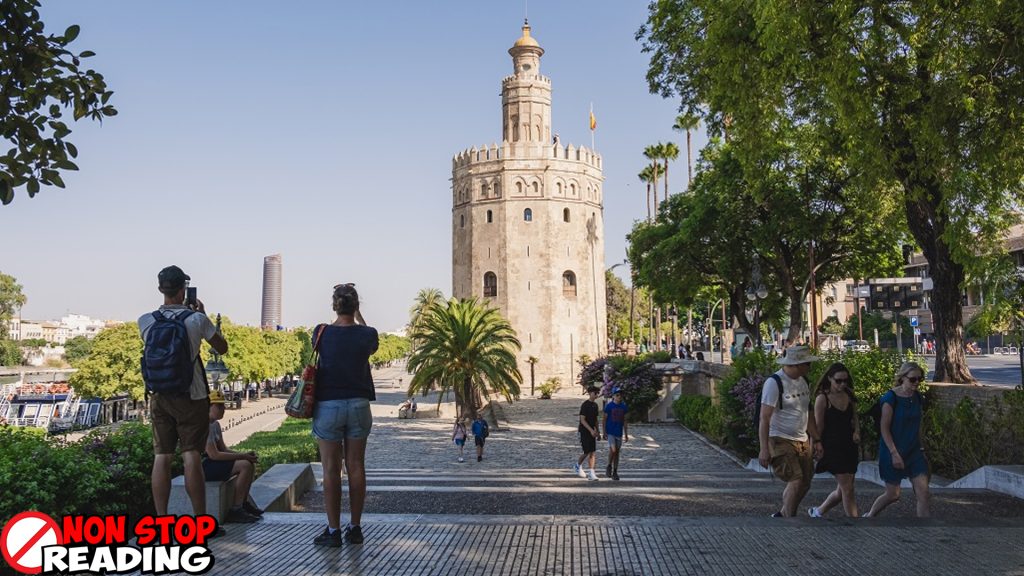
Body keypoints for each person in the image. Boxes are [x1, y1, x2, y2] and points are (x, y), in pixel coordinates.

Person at [139, 265, 228, 520]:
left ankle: (161, 520)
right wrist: (202, 314)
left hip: (160, 396)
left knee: (162, 457)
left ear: (160, 289)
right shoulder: (196, 320)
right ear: (183, 289)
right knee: (191, 456)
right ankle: (200, 519)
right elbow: (221, 348)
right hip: (192, 395)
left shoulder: (146, 320)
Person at [311, 283, 379, 547]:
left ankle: (333, 530)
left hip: (328, 405)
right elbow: (370, 342)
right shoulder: (367, 334)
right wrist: (359, 315)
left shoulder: (321, 332)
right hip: (359, 404)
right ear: (356, 305)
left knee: (330, 469)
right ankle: (355, 527)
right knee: (356, 466)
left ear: (334, 305)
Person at [758, 345, 823, 517]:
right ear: (797, 364)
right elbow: (764, 418)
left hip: (801, 439)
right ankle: (789, 518)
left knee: (805, 482)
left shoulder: (803, 381)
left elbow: (806, 412)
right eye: (807, 364)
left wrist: (816, 439)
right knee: (796, 479)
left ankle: (783, 513)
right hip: (779, 438)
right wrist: (764, 449)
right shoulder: (774, 383)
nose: (810, 367)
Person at [864, 361, 930, 518]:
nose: (916, 383)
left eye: (919, 379)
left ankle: (926, 530)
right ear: (903, 378)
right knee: (893, 494)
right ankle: (871, 515)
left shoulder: (918, 398)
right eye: (913, 379)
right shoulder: (890, 398)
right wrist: (894, 453)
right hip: (893, 449)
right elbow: (884, 428)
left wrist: (922, 449)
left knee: (924, 493)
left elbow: (918, 424)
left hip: (913, 451)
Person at [807, 362, 860, 518]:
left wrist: (857, 431)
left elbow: (855, 417)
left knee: (843, 489)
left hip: (849, 445)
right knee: (847, 488)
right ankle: (854, 521)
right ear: (829, 378)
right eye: (838, 381)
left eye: (845, 381)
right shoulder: (823, 399)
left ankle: (818, 511)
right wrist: (814, 448)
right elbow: (818, 426)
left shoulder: (849, 395)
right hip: (832, 446)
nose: (842, 384)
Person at [203, 390, 262, 523]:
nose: (223, 409)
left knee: (248, 463)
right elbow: (214, 454)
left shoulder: (215, 425)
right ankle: (236, 510)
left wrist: (245, 455)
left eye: (223, 405)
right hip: (203, 465)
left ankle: (244, 503)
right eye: (219, 406)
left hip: (212, 462)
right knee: (245, 465)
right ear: (208, 406)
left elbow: (223, 449)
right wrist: (242, 457)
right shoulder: (204, 426)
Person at [574, 386, 601, 481]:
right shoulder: (585, 405)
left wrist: (598, 431)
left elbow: (596, 420)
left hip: (592, 431)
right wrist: (590, 430)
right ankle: (577, 465)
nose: (596, 395)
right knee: (587, 451)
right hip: (584, 431)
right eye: (595, 393)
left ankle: (591, 472)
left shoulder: (595, 405)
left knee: (592, 452)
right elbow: (582, 420)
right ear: (590, 393)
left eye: (598, 393)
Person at [602, 387, 628, 480]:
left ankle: (615, 471)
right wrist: (604, 431)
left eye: (620, 395)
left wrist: (626, 434)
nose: (619, 397)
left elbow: (625, 421)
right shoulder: (609, 406)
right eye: (617, 395)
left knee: (617, 453)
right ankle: (609, 465)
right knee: (613, 450)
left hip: (619, 432)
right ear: (613, 396)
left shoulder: (624, 407)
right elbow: (604, 419)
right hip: (611, 432)